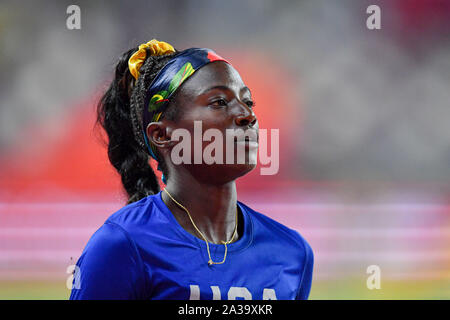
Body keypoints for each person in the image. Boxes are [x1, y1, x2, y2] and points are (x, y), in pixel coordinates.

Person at [69, 39, 314, 300]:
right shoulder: (122, 246)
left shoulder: (291, 253)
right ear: (162, 134)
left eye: (248, 102)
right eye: (219, 102)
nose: (247, 115)